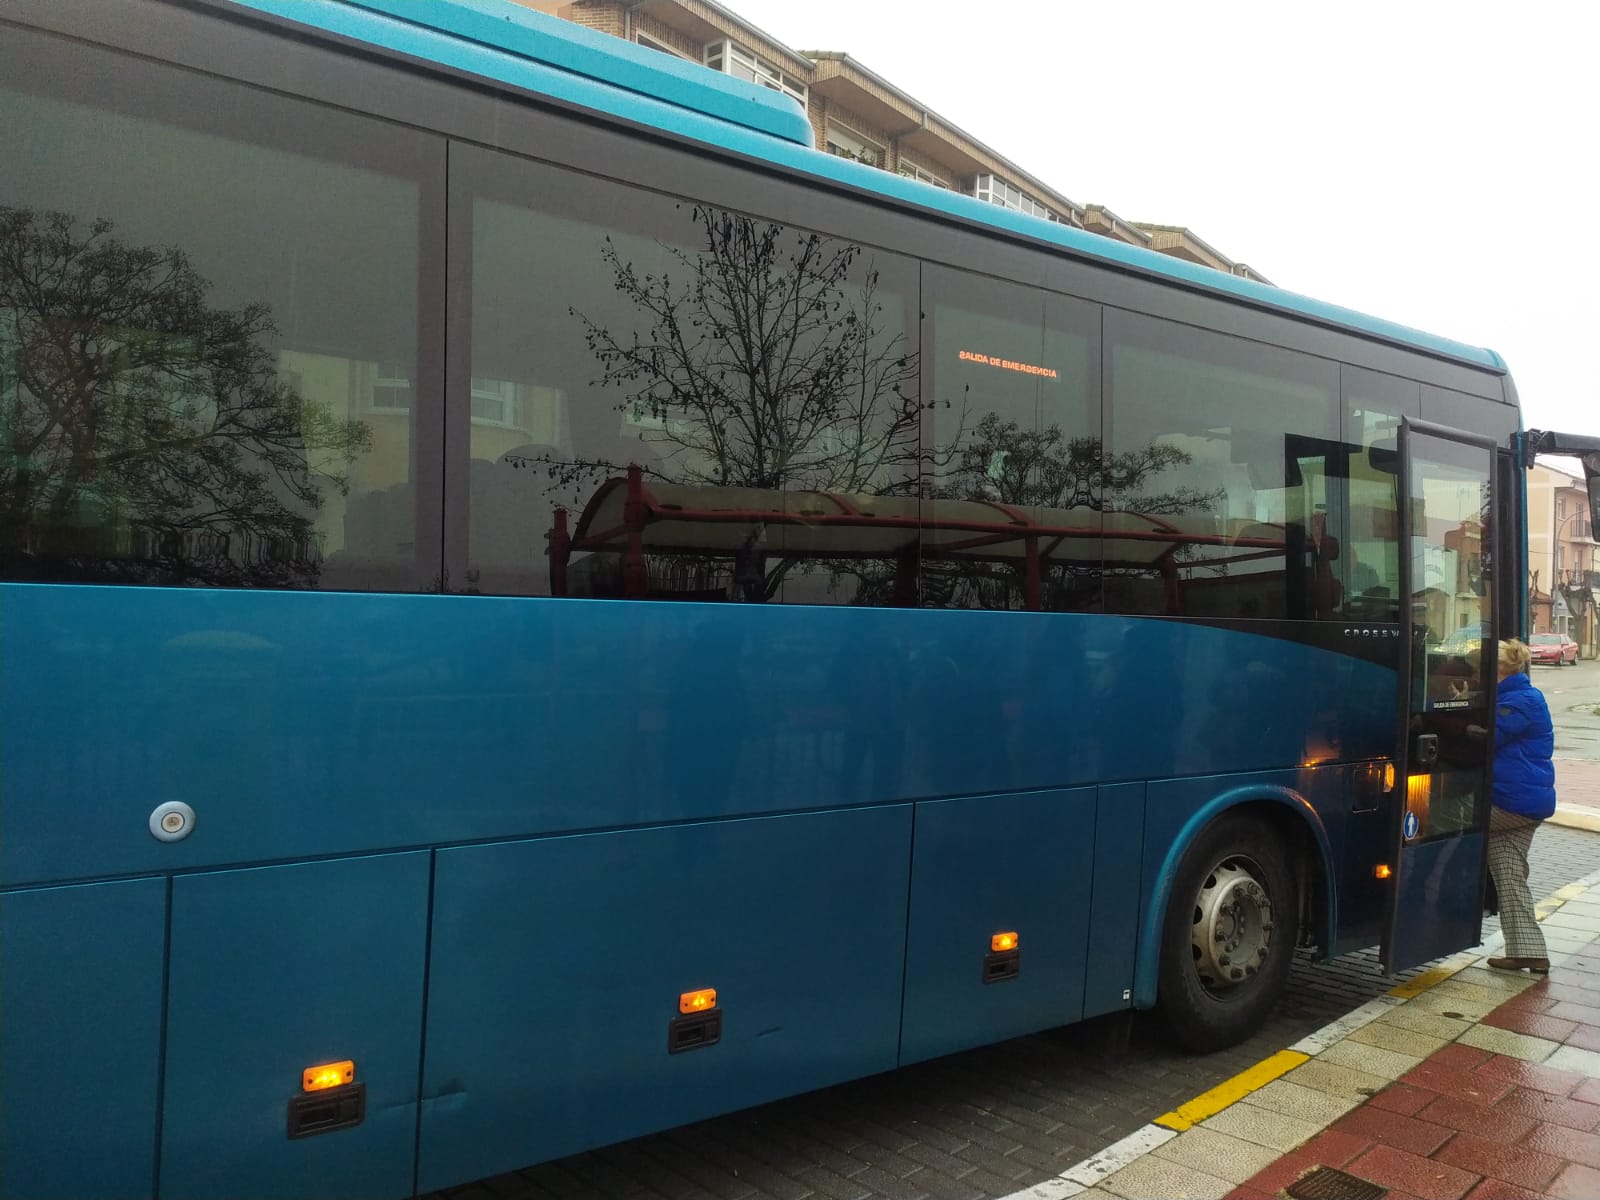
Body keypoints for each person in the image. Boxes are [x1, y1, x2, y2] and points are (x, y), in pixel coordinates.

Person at [1485, 638, 1557, 974]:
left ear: (1498, 669)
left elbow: (1488, 737)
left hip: (1512, 802)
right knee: (1509, 874)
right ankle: (1530, 952)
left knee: (1439, 820)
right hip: (1524, 801)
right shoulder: (1518, 695)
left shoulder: (1517, 701)